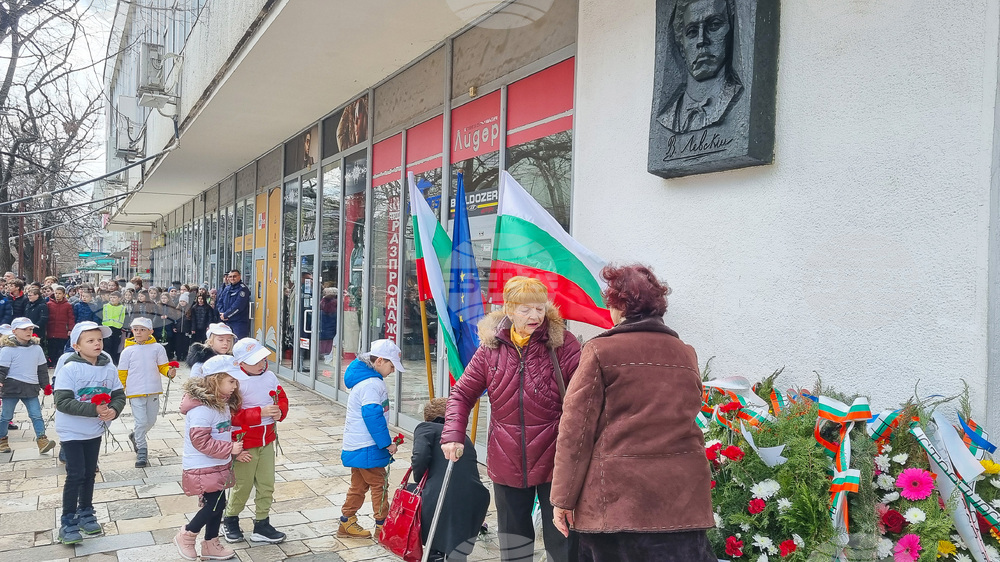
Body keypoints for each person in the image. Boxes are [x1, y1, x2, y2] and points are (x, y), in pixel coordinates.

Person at [550, 264, 715, 562]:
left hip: (615, 505)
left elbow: (576, 431)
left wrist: (562, 500)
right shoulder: (685, 352)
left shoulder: (601, 351)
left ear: (620, 306)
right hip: (681, 499)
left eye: (610, 303)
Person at [441, 276, 581, 562]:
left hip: (555, 458)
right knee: (514, 543)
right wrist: (453, 434)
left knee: (563, 541)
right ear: (508, 308)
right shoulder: (491, 347)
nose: (535, 316)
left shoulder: (562, 343)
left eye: (539, 308)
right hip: (507, 458)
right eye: (525, 309)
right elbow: (462, 394)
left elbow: (584, 397)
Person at [54, 321, 125, 544]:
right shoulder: (69, 367)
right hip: (72, 431)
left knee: (89, 473)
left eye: (99, 340)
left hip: (94, 431)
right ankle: (68, 522)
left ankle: (86, 512)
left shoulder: (109, 367)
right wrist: (93, 409)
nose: (97, 344)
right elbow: (62, 402)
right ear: (77, 345)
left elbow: (119, 395)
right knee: (75, 474)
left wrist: (114, 410)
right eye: (90, 340)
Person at [174, 355, 247, 561]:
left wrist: (234, 436)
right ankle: (187, 534)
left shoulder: (220, 404)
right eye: (231, 381)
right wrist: (230, 447)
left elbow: (219, 430)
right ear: (215, 380)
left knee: (218, 504)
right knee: (214, 504)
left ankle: (211, 544)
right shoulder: (202, 409)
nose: (235, 386)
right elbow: (200, 441)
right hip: (202, 464)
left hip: (217, 463)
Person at [222, 338, 288, 544]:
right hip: (244, 442)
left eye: (262, 358)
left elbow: (281, 398)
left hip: (267, 439)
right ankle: (231, 519)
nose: (261, 363)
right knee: (242, 484)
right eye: (255, 360)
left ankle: (262, 523)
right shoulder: (233, 381)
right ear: (240, 363)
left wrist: (280, 412)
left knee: (267, 483)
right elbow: (229, 415)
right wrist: (259, 413)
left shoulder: (269, 376)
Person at [336, 339, 404, 539]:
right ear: (380, 361)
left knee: (358, 485)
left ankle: (346, 521)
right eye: (392, 366)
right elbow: (373, 417)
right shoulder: (372, 384)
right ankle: (383, 526)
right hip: (367, 444)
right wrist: (387, 444)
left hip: (357, 443)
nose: (392, 370)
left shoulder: (365, 381)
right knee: (379, 485)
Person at [411, 397, 489, 561]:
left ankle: (434, 553)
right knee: (456, 547)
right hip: (474, 498)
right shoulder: (463, 438)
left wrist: (419, 482)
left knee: (416, 496)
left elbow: (419, 457)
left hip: (443, 498)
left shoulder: (426, 428)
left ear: (429, 417)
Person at [657, 0, 743, 133]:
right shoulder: (667, 118)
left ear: (732, 31)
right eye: (692, 31)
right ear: (681, 46)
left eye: (714, 25)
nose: (701, 40)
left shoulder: (737, 96)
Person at [118, 317, 177, 468]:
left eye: (142, 330)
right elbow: (122, 373)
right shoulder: (127, 351)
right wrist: (120, 390)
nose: (138, 332)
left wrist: (169, 372)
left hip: (153, 390)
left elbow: (162, 366)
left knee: (150, 421)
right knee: (141, 421)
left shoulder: (157, 348)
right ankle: (142, 450)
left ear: (150, 331)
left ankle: (136, 436)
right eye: (135, 329)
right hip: (135, 391)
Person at [0, 318, 55, 454]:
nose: (28, 332)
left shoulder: (36, 349)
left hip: (31, 387)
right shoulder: (7, 350)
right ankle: (2, 440)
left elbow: (42, 369)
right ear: (14, 331)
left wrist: (45, 385)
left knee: (36, 415)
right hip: (11, 387)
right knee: (6, 416)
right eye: (24, 329)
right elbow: (2, 369)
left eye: (30, 329)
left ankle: (42, 440)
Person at [216, 270, 251, 339]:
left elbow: (238, 306)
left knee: (238, 344)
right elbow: (219, 302)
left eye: (234, 276)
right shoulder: (227, 288)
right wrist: (222, 313)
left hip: (239, 322)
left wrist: (226, 315)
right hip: (227, 321)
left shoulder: (243, 289)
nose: (232, 278)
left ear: (239, 276)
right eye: (230, 277)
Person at [46, 285, 74, 367]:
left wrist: (70, 329)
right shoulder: (49, 304)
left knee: (61, 348)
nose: (57, 295)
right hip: (51, 330)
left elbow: (71, 318)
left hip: (62, 331)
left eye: (59, 293)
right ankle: (51, 362)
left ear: (64, 294)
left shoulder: (68, 305)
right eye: (56, 293)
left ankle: (60, 363)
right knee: (51, 347)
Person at [101, 292, 126, 364]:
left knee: (115, 346)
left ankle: (114, 361)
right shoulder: (105, 306)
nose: (112, 299)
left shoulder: (122, 308)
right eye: (111, 297)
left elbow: (125, 318)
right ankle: (107, 360)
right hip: (107, 327)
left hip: (117, 329)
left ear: (119, 298)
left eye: (114, 297)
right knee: (107, 346)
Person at [319, 287, 338, 362]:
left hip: (326, 324)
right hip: (330, 323)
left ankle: (324, 354)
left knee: (325, 340)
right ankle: (326, 354)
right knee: (328, 340)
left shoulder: (323, 301)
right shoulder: (334, 302)